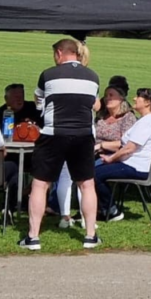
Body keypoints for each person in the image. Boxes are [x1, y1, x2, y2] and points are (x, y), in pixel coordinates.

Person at [20, 38, 101, 251]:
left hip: (54, 134)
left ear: (59, 53)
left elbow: (39, 102)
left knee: (40, 184)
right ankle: (90, 235)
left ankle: (33, 237)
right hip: (83, 135)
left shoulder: (48, 75)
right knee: (87, 184)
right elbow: (94, 103)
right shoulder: (93, 76)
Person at [52, 84, 137, 228]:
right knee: (65, 171)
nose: (107, 98)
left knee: (86, 174)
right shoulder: (101, 117)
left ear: (121, 98)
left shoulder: (128, 118)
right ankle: (62, 212)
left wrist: (101, 146)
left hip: (115, 155)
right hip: (92, 152)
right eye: (106, 95)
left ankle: (107, 209)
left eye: (111, 95)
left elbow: (126, 144)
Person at [95, 88, 151, 222]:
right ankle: (103, 208)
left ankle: (111, 210)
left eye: (138, 97)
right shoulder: (148, 120)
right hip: (134, 164)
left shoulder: (148, 121)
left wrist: (110, 158)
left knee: (93, 174)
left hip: (137, 167)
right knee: (94, 171)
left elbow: (129, 148)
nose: (134, 99)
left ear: (147, 103)